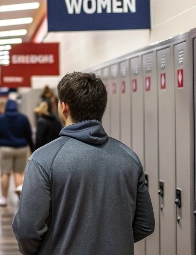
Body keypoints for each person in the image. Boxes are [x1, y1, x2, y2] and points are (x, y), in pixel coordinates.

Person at [13, 72, 155, 254]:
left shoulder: (43, 159)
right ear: (101, 107)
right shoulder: (129, 158)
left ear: (64, 107)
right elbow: (145, 224)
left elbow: (27, 229)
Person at [0, 99, 34, 206]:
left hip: (5, 148)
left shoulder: (0, 118)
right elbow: (28, 134)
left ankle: (3, 199)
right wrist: (32, 148)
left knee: (5, 173)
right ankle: (20, 198)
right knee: (18, 172)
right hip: (21, 148)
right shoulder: (23, 118)